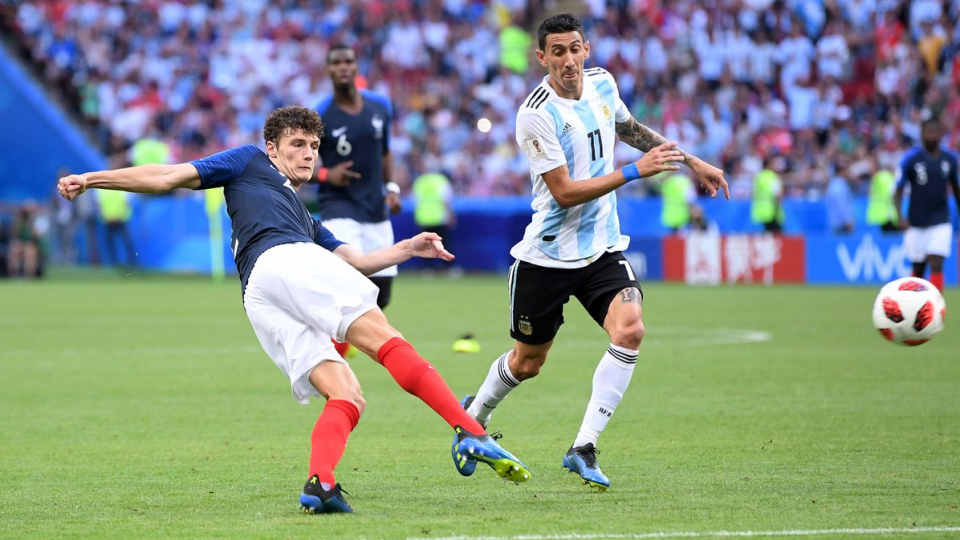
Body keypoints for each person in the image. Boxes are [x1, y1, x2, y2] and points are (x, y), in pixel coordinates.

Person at [57, 106, 530, 515]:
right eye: (297, 144)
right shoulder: (248, 161)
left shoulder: (304, 216)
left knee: (346, 394)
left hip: (259, 294)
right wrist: (93, 179)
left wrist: (407, 247)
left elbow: (357, 260)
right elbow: (166, 176)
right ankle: (470, 429)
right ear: (271, 148)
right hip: (282, 262)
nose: (308, 154)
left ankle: (321, 484)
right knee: (381, 335)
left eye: (314, 146)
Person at [456, 14, 729, 492]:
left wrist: (691, 161)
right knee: (527, 363)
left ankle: (583, 447)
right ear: (541, 57)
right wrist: (634, 172)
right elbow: (563, 192)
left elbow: (631, 129)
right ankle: (472, 420)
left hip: (602, 245)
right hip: (548, 256)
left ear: (586, 49)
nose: (568, 60)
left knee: (631, 329)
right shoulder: (535, 114)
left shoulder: (603, 82)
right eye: (557, 51)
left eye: (574, 49)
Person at [314, 44, 401, 310]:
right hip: (339, 206)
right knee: (347, 284)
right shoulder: (319, 115)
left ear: (356, 67)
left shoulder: (380, 106)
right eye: (336, 63)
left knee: (382, 294)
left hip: (375, 207)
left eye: (348, 62)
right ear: (328, 70)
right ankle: (332, 335)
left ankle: (351, 333)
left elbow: (385, 151)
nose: (343, 67)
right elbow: (296, 165)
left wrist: (392, 187)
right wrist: (328, 174)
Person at [894, 116, 960, 292]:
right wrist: (900, 216)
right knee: (918, 268)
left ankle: (936, 304)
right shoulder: (911, 159)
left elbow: (957, 189)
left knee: (936, 262)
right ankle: (915, 304)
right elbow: (898, 190)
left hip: (940, 220)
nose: (932, 135)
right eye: (928, 132)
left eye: (935, 132)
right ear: (921, 134)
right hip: (916, 222)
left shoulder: (950, 160)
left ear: (940, 134)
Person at [751, 155, 785, 233]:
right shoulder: (773, 177)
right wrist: (777, 210)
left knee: (766, 235)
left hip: (760, 211)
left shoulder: (758, 177)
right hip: (772, 211)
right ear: (769, 165)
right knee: (777, 235)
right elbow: (777, 195)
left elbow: (753, 193)